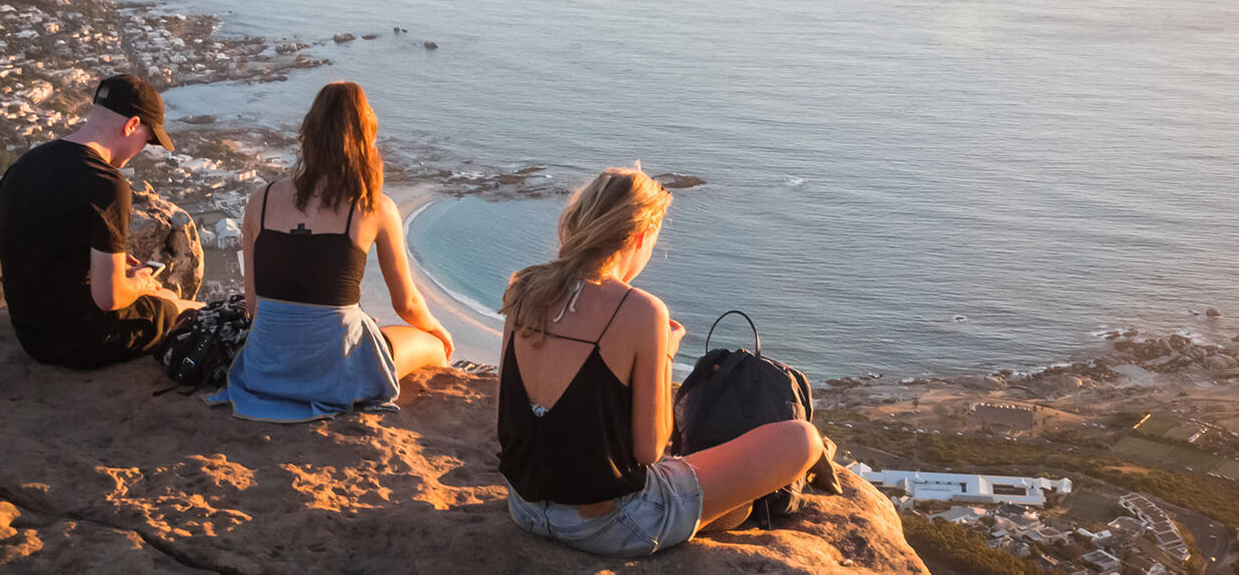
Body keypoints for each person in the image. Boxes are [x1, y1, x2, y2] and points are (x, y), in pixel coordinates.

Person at [496, 167, 823, 558]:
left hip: (525, 508)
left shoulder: (523, 289)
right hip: (609, 525)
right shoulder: (639, 310)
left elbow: (506, 413)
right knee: (802, 439)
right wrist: (663, 353)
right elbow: (650, 450)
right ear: (640, 235)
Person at [209, 81, 453, 421]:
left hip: (264, 370)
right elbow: (407, 304)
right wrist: (438, 329)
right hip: (337, 376)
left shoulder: (260, 202)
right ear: (366, 139)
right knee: (435, 348)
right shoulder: (374, 208)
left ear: (308, 134)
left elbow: (253, 304)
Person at [0, 73, 200, 369]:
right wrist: (141, 283)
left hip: (31, 336)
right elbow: (110, 299)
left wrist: (103, 262)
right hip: (83, 341)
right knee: (183, 306)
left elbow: (47, 248)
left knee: (159, 295)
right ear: (132, 125)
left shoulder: (25, 165)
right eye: (148, 138)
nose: (144, 148)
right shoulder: (106, 185)